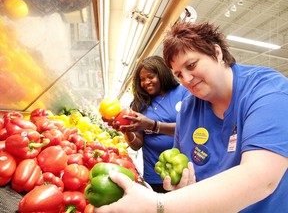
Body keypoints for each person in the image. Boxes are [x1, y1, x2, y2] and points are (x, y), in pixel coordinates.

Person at [94, 21, 288, 213]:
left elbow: (262, 179)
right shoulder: (189, 108)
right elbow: (185, 168)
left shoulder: (267, 91)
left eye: (192, 65)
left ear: (217, 53)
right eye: (179, 74)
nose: (186, 79)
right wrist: (180, 188)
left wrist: (160, 204)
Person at [113, 55, 190, 193]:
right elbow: (137, 145)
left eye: (150, 77)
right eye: (142, 80)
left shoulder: (183, 92)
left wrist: (152, 125)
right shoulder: (140, 104)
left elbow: (190, 129)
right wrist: (127, 129)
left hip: (183, 173)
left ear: (162, 74)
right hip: (154, 175)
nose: (146, 82)